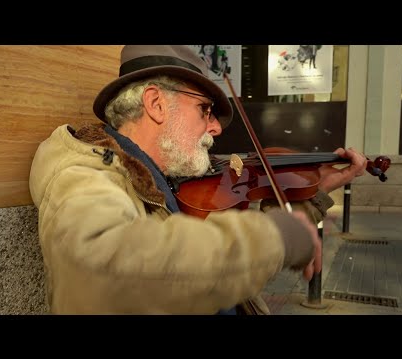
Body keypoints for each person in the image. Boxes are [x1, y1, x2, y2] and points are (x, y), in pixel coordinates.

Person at [29, 45, 367, 315]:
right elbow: (101, 273)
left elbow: (216, 256)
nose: (216, 127)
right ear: (156, 104)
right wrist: (276, 238)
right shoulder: (83, 177)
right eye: (205, 110)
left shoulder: (168, 178)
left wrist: (316, 191)